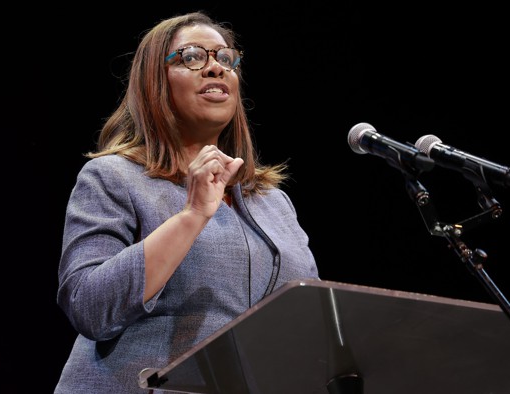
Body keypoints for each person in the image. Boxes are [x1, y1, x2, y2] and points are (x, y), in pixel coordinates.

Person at [54, 11, 319, 393]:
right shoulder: (114, 178)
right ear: (153, 84)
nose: (215, 68)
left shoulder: (273, 203)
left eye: (225, 58)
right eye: (193, 57)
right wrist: (193, 214)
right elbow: (90, 307)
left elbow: (309, 324)